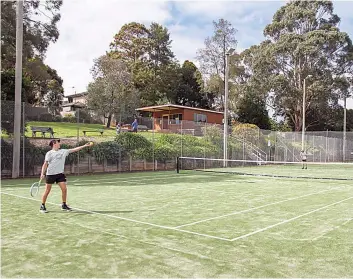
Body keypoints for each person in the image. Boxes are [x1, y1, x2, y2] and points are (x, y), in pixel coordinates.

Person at [39, 139, 92, 213]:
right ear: (54, 144)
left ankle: (64, 205)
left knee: (64, 189)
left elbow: (74, 150)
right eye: (58, 142)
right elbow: (45, 164)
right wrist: (42, 173)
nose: (59, 143)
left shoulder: (63, 151)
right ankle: (42, 206)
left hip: (60, 174)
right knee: (47, 191)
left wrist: (84, 145)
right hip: (50, 174)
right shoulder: (49, 153)